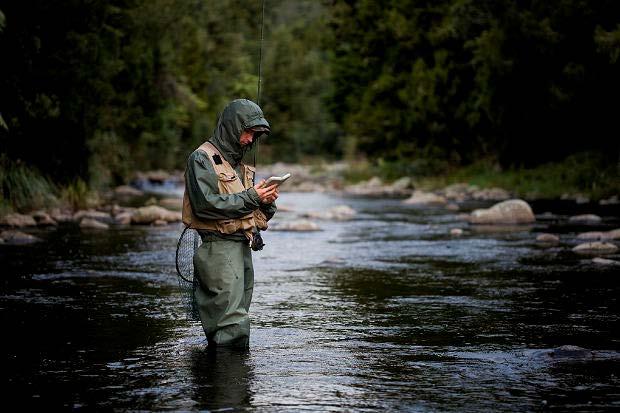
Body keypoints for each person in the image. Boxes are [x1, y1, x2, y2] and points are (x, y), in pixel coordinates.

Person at [182, 99, 279, 348]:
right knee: (230, 328)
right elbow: (206, 205)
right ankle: (227, 384)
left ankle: (233, 382)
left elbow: (253, 215)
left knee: (237, 321)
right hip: (218, 249)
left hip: (241, 248)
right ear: (232, 127)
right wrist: (251, 197)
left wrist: (265, 202)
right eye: (247, 132)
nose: (249, 140)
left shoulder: (238, 166)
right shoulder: (201, 158)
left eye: (254, 135)